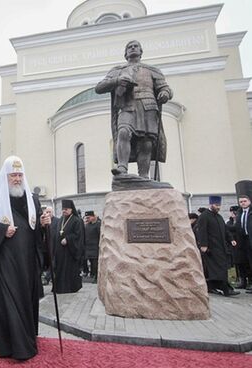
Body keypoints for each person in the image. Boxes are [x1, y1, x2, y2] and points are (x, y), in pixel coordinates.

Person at [0, 156, 49, 360]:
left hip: (27, 262)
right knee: (9, 299)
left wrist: (44, 224)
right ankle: (15, 345)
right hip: (4, 261)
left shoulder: (32, 199)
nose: (16, 179)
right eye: (13, 175)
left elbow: (37, 231)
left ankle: (23, 335)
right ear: (6, 176)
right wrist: (1, 230)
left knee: (25, 299)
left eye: (19, 175)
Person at [95, 40, 173, 178]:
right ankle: (122, 168)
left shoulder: (152, 70)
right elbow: (99, 88)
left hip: (148, 106)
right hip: (127, 106)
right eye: (129, 47)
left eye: (135, 46)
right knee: (123, 132)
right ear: (125, 54)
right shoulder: (117, 71)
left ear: (141, 52)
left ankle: (144, 176)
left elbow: (165, 88)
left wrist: (165, 94)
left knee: (146, 143)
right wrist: (117, 81)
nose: (132, 48)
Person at [195, 196, 239, 296]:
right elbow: (201, 231)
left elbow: (225, 230)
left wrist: (231, 239)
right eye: (216, 205)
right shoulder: (204, 216)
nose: (218, 207)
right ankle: (226, 289)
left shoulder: (219, 217)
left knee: (220, 268)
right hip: (211, 248)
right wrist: (204, 245)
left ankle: (214, 286)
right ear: (211, 204)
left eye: (219, 205)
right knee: (219, 269)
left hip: (221, 247)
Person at [51, 200, 84, 294]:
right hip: (60, 250)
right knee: (60, 269)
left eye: (66, 209)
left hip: (70, 251)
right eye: (63, 209)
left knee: (69, 270)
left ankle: (70, 288)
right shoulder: (61, 219)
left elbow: (78, 235)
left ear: (71, 209)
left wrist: (68, 239)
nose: (64, 211)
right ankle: (60, 288)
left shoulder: (76, 220)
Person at [226, 205, 252, 289]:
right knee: (239, 264)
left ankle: (250, 281)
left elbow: (236, 228)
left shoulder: (240, 221)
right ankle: (242, 280)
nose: (232, 214)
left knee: (246, 264)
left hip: (242, 244)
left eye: (233, 212)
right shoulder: (229, 222)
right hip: (234, 246)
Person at [84, 211, 101, 283]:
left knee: (95, 264)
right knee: (92, 263)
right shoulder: (87, 226)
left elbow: (99, 236)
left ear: (94, 217)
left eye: (89, 217)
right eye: (86, 217)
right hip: (88, 248)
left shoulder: (98, 225)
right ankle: (93, 275)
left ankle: (97, 278)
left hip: (95, 248)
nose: (87, 219)